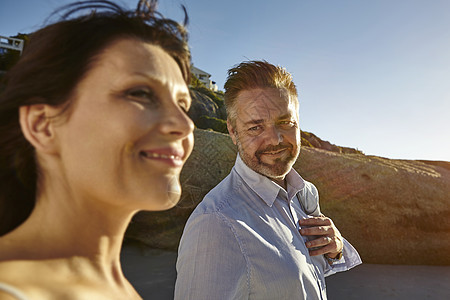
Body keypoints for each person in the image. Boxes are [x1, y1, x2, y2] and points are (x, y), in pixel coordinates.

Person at [0, 0, 194, 299]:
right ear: (42, 124)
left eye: (183, 105)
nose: (184, 124)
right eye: (140, 93)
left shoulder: (118, 289)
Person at [175, 60, 362, 299]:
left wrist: (335, 249)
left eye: (285, 123)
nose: (274, 139)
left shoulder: (303, 195)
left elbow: (294, 278)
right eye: (255, 127)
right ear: (233, 132)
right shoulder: (215, 224)